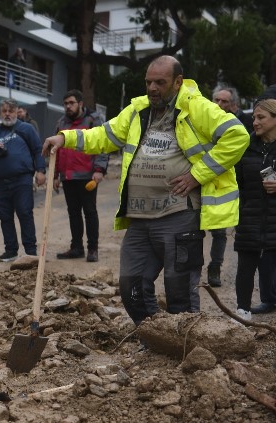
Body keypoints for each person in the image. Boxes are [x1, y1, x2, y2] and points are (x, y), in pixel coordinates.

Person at [42, 56, 249, 326]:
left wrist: (198, 175)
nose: (152, 88)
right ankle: (154, 336)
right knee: (131, 288)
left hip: (178, 216)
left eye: (160, 83)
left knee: (179, 292)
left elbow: (237, 135)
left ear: (177, 82)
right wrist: (65, 137)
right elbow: (104, 136)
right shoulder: (138, 110)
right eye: (149, 82)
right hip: (139, 218)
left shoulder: (196, 107)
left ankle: (183, 347)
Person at [0, 97, 47, 263]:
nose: (7, 114)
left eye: (11, 111)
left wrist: (41, 171)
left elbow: (37, 150)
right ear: (0, 113)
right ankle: (11, 250)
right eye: (4, 111)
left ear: (16, 112)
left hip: (21, 180)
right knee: (5, 217)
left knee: (25, 213)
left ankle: (31, 252)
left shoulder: (26, 128)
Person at [232, 98, 276, 319]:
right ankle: (243, 311)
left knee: (271, 266)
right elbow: (235, 183)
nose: (255, 122)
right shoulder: (245, 147)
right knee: (245, 265)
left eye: (261, 117)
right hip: (250, 217)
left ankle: (270, 301)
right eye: (254, 118)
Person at [53, 89, 108, 262]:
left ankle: (93, 249)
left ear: (80, 104)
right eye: (66, 104)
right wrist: (55, 175)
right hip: (68, 177)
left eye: (71, 103)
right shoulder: (61, 123)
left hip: (87, 176)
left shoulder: (93, 120)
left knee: (90, 212)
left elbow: (102, 145)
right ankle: (76, 248)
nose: (68, 106)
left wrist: (99, 170)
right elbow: (57, 150)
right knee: (73, 213)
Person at [206, 86, 254, 286]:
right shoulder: (204, 121)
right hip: (205, 179)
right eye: (216, 99)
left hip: (229, 183)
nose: (219, 104)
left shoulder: (242, 124)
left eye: (224, 101)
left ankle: (215, 267)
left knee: (220, 231)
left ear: (232, 104)